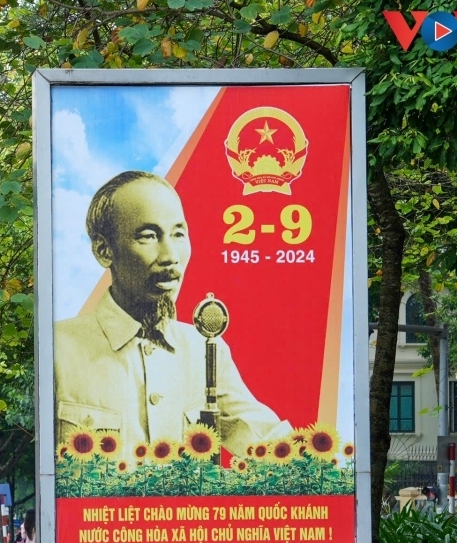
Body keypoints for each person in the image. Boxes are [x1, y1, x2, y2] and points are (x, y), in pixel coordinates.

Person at [54, 171, 288, 459]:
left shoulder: (204, 348)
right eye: (149, 236)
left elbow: (271, 445)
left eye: (178, 234)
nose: (170, 256)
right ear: (104, 251)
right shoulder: (57, 350)